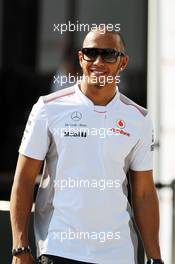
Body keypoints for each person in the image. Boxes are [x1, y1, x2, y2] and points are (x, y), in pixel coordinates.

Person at [10, 27, 164, 264]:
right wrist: (20, 248)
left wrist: (155, 257)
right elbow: (24, 179)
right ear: (81, 58)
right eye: (91, 53)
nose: (98, 62)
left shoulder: (139, 118)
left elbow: (143, 193)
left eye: (108, 55)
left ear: (122, 62)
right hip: (59, 248)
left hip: (118, 253)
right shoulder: (48, 108)